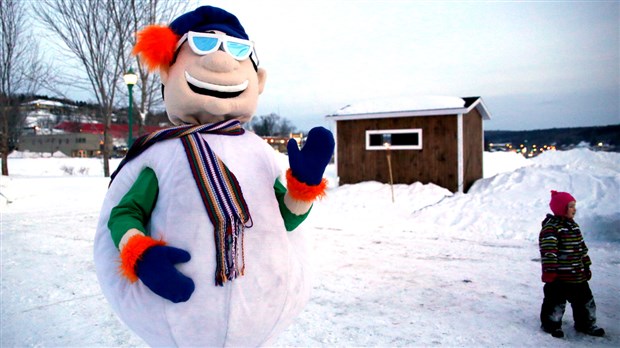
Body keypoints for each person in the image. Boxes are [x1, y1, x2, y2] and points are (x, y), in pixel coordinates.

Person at [93, 6, 334, 347]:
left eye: (238, 51)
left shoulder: (260, 153)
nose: (222, 62)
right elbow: (125, 214)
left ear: (258, 79)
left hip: (258, 311)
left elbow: (285, 220)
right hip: (180, 317)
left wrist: (303, 187)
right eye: (202, 45)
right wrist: (141, 254)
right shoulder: (162, 154)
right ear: (168, 71)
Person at [539, 190, 605, 338]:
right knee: (555, 302)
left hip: (577, 275)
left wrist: (586, 266)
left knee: (585, 301)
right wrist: (549, 272)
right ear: (561, 208)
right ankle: (551, 325)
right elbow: (549, 251)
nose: (574, 209)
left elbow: (582, 249)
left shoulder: (574, 226)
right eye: (570, 206)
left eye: (574, 206)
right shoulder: (552, 228)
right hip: (559, 277)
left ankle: (586, 324)